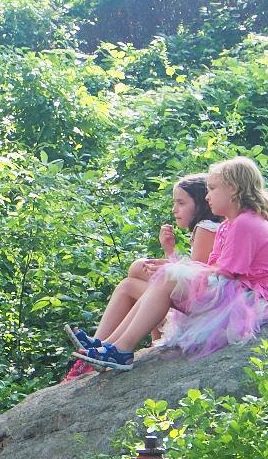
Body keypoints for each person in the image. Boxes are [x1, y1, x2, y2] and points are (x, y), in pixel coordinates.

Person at [73, 156, 268, 371]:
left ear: (233, 189)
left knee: (167, 277)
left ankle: (120, 349)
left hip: (245, 300)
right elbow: (212, 267)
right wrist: (173, 266)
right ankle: (111, 345)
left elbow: (228, 273)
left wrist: (177, 269)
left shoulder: (245, 223)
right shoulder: (228, 225)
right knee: (164, 276)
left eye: (212, 189)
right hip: (231, 291)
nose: (207, 196)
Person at [62, 173, 221, 381]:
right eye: (174, 203)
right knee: (138, 269)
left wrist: (170, 260)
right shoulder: (204, 228)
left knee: (128, 286)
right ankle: (100, 346)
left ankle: (99, 351)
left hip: (201, 312)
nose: (175, 209)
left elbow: (197, 281)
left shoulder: (206, 228)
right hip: (194, 298)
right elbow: (188, 276)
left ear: (201, 203)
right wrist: (169, 252)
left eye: (181, 203)